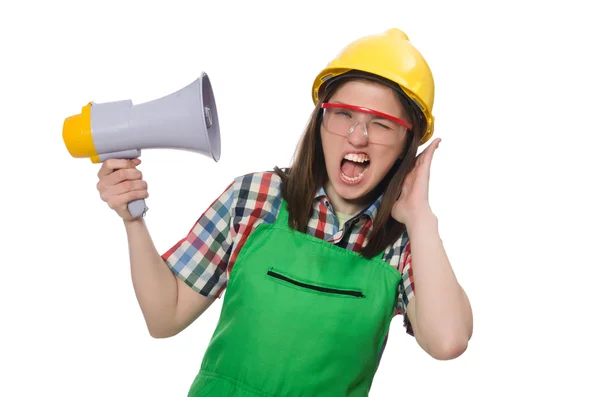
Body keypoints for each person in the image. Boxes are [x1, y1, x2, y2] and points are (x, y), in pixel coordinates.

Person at [96, 28, 473, 396]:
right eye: (343, 114)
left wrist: (421, 217)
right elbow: (166, 316)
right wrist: (132, 219)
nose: (358, 136)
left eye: (382, 124)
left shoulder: (406, 247)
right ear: (320, 120)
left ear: (408, 144)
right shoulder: (255, 197)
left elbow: (448, 340)